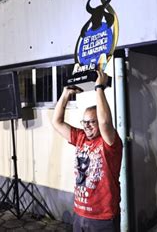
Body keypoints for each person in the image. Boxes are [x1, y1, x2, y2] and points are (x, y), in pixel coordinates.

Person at [52, 70, 123, 232]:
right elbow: (56, 122)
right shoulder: (80, 137)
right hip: (80, 213)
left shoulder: (109, 142)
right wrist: (65, 94)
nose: (87, 126)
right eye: (84, 122)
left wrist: (99, 87)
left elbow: (105, 122)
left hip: (103, 217)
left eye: (92, 122)